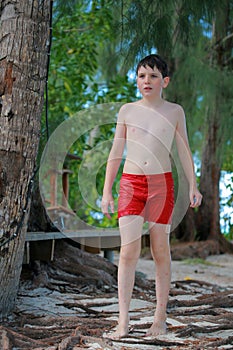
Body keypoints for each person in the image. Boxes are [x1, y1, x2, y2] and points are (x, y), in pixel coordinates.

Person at [101, 54, 202, 339]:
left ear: (165, 81)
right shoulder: (127, 110)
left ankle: (160, 318)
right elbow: (116, 151)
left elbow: (183, 151)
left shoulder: (175, 111)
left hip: (162, 185)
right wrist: (108, 190)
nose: (147, 81)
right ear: (137, 80)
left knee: (160, 250)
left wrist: (193, 186)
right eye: (142, 76)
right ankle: (123, 321)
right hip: (131, 184)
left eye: (154, 76)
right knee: (128, 251)